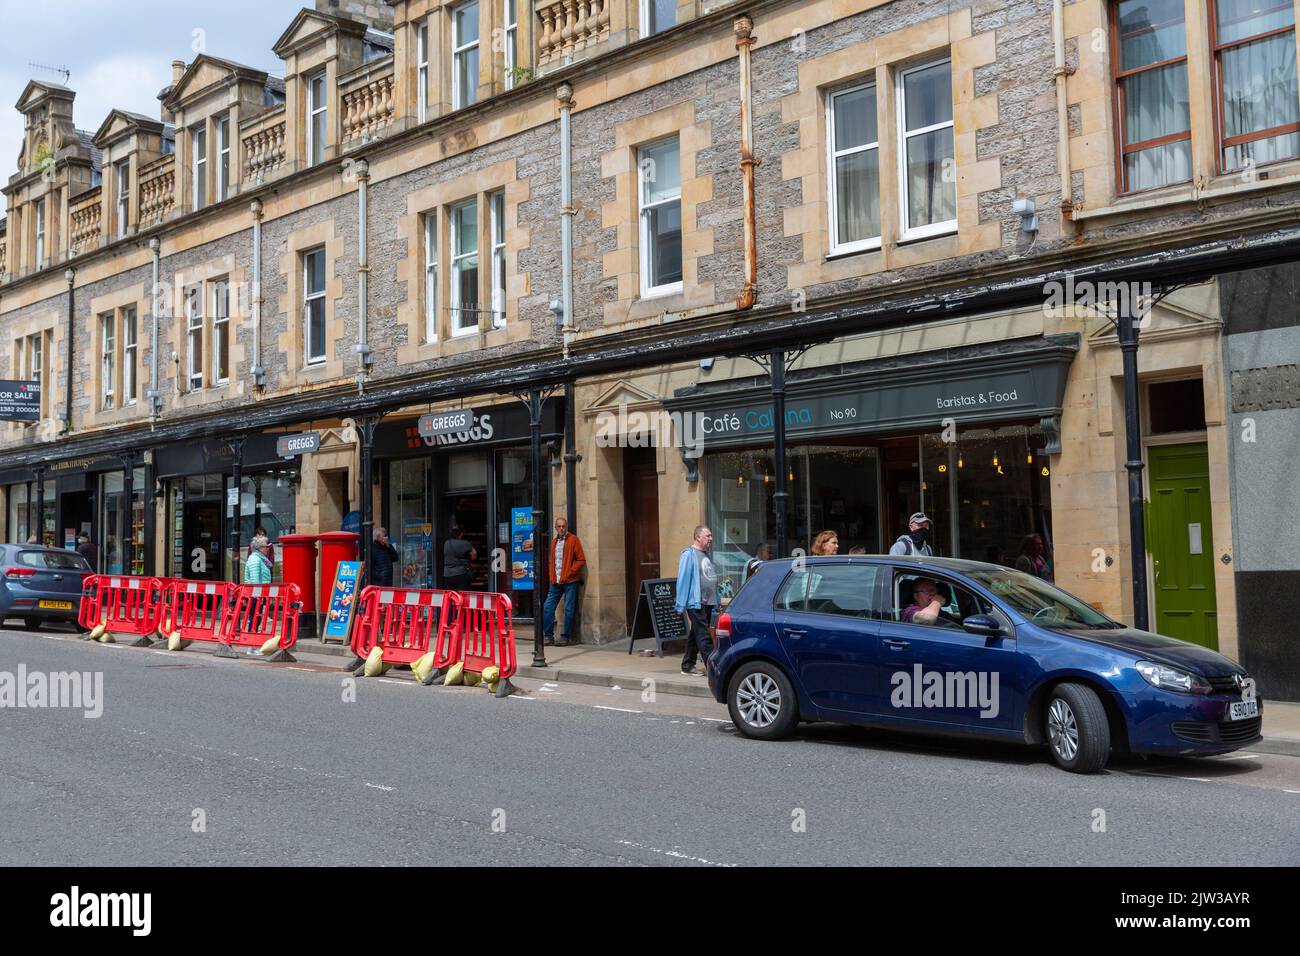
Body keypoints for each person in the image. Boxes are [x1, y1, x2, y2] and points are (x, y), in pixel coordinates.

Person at [674, 525, 716, 677]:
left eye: (711, 536)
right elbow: (683, 580)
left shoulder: (706, 554)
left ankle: (687, 665)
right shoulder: (689, 554)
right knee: (704, 635)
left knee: (696, 633)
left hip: (708, 602)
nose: (711, 539)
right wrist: (680, 605)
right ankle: (713, 669)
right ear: (698, 537)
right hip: (696, 602)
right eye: (708, 536)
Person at [542, 517, 586, 647]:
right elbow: (552, 562)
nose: (561, 528)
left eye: (563, 526)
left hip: (570, 581)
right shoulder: (554, 542)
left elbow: (581, 560)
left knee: (568, 609)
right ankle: (549, 636)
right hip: (555, 581)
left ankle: (565, 637)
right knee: (547, 608)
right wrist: (552, 576)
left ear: (566, 527)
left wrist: (569, 573)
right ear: (555, 528)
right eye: (559, 526)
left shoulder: (573, 540)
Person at [442, 524, 475, 591]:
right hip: (461, 574)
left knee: (452, 595)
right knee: (462, 595)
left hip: (447, 575)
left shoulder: (447, 543)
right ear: (461, 533)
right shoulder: (466, 543)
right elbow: (474, 556)